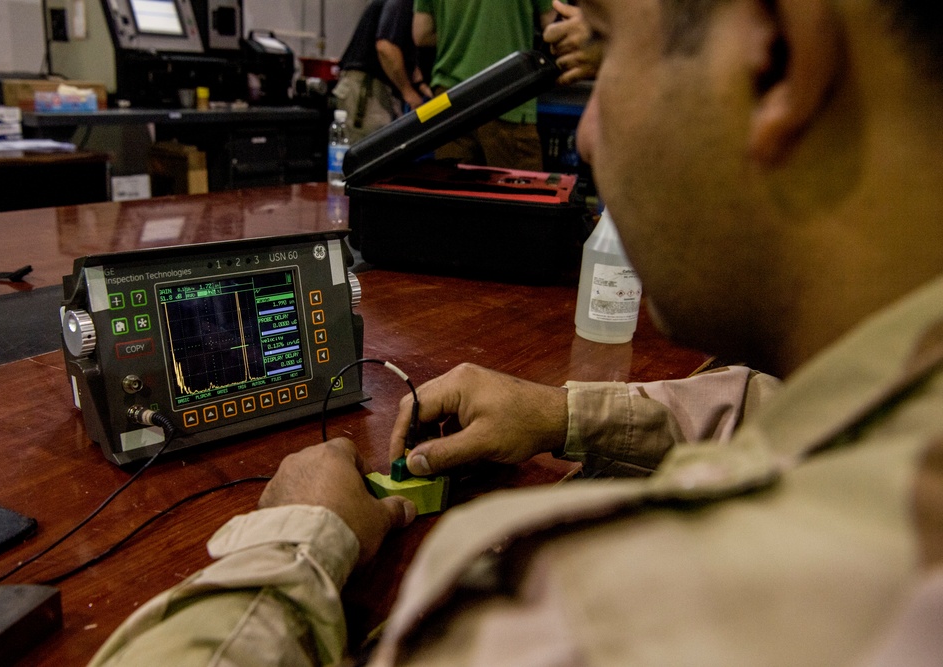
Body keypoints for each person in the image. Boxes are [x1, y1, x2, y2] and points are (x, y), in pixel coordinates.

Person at [90, 0, 943, 665]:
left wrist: (294, 540)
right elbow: (787, 408)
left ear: (777, 59)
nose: (591, 137)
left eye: (606, 47)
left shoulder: (606, 613)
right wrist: (562, 414)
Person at [412, 0, 557, 170]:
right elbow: (554, 27)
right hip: (508, 95)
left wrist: (462, 38)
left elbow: (421, 34)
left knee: (453, 191)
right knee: (517, 193)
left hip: (448, 100)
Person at [332, 0, 433, 143]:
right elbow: (386, 47)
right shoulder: (403, 3)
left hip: (374, 89)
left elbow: (409, 59)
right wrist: (408, 92)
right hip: (367, 89)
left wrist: (421, 87)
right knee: (369, 153)